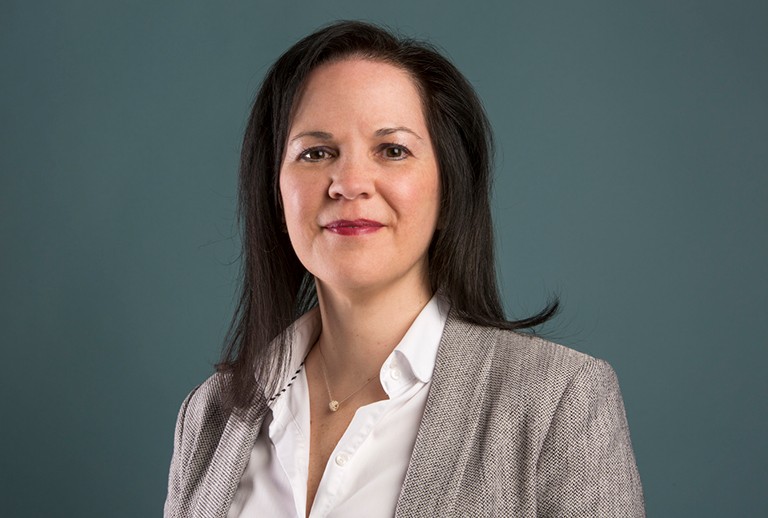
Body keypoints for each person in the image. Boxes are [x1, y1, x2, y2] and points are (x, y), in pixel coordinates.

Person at [164, 20, 645, 518]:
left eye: (392, 150)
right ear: (275, 192)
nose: (349, 184)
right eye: (316, 152)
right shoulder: (211, 415)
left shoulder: (558, 401)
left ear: (449, 188)